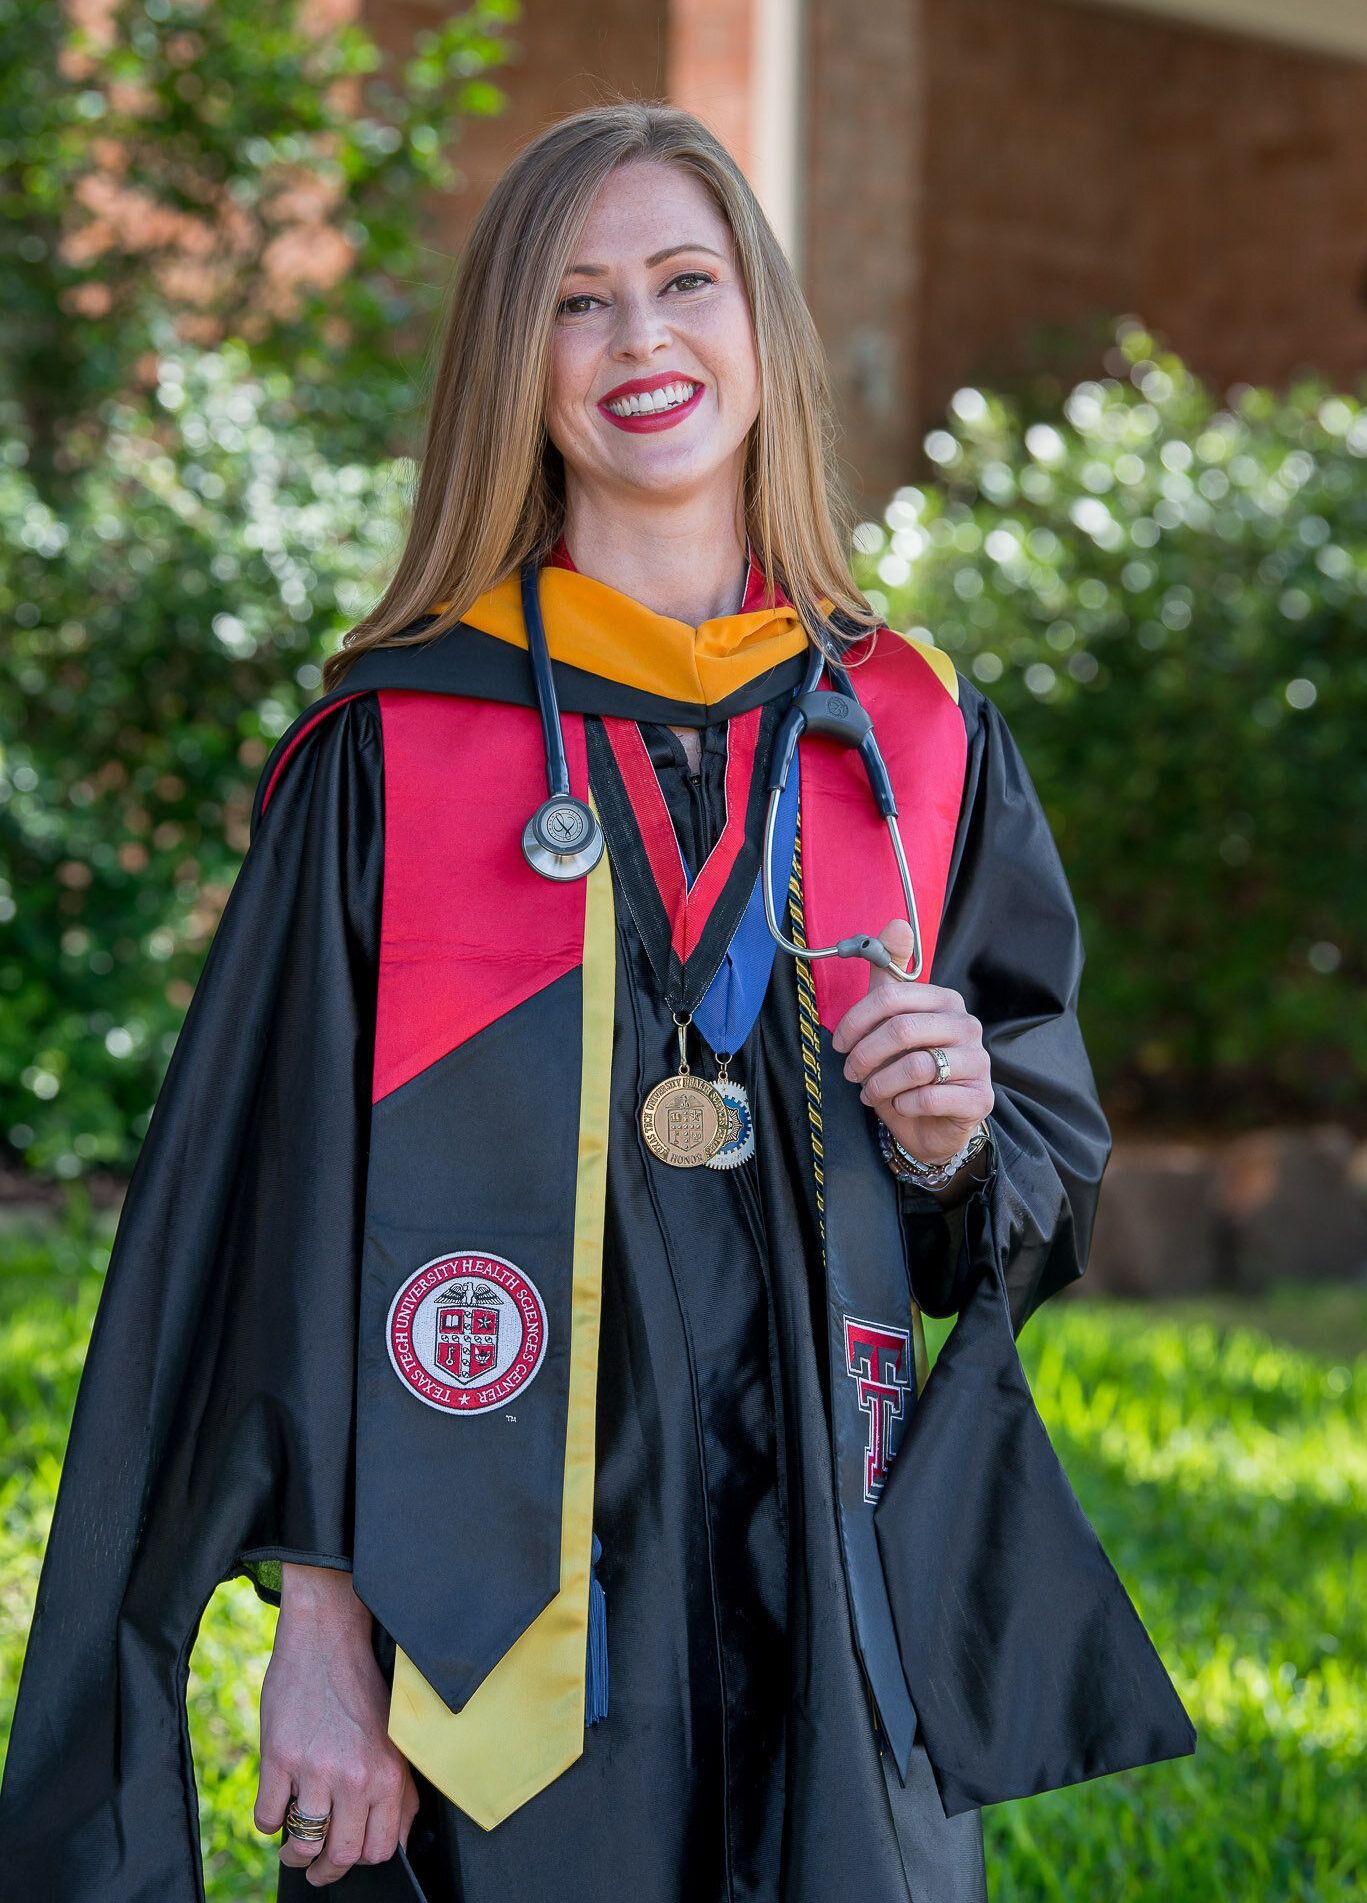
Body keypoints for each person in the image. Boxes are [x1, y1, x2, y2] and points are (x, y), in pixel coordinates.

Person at [0, 101, 1195, 1903]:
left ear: (762, 331)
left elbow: (1028, 1176)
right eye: (577, 302)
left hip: (832, 1595)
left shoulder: (911, 739)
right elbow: (268, 1220)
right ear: (516, 365)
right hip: (485, 1638)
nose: (641, 342)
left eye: (683, 283)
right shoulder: (395, 752)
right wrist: (319, 1624)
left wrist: (958, 1142)